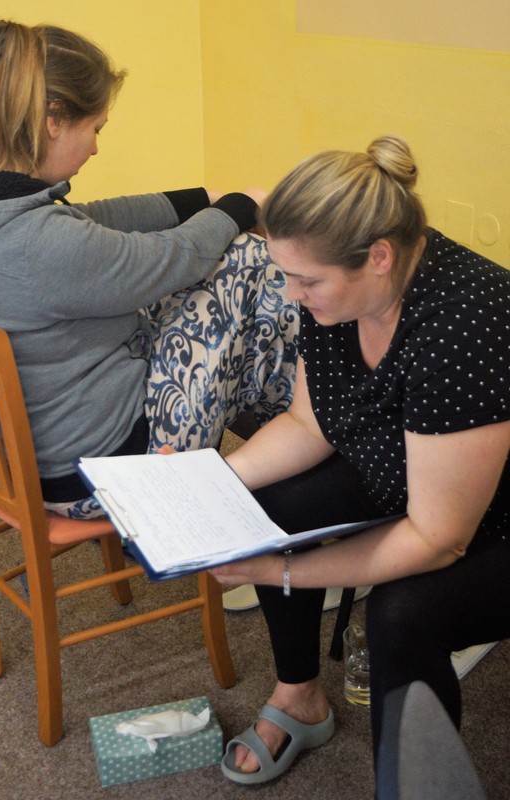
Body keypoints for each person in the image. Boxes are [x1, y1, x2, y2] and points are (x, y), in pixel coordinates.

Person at [209, 135, 510, 786]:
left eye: (306, 280)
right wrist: (206, 482)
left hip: (489, 518)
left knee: (399, 616)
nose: (292, 294)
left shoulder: (466, 320)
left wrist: (279, 571)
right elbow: (308, 423)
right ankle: (299, 697)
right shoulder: (337, 293)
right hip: (411, 468)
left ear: (378, 257)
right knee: (273, 506)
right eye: (286, 274)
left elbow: (439, 537)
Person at [0, 19, 299, 518]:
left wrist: (204, 197)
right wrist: (241, 204)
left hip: (21, 458)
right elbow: (176, 257)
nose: (96, 147)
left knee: (217, 299)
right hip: (100, 471)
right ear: (54, 118)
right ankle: (299, 465)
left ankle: (289, 445)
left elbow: (94, 220)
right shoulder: (41, 244)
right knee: (244, 260)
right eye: (94, 129)